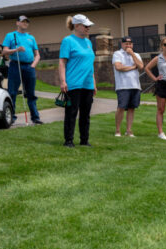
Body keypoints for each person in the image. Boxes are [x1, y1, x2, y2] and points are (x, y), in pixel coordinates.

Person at [58, 14, 96, 148]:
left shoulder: (89, 42)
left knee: (85, 114)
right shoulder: (68, 41)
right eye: (86, 26)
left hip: (88, 84)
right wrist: (63, 81)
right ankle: (68, 140)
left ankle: (84, 140)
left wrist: (94, 84)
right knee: (71, 113)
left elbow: (90, 64)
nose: (88, 28)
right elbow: (62, 62)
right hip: (73, 83)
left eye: (89, 26)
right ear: (77, 26)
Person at [1, 15, 43, 125]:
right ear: (17, 23)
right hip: (15, 66)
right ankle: (11, 118)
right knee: (12, 92)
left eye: (26, 22)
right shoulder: (10, 36)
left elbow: (37, 55)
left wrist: (33, 64)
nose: (25, 23)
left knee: (31, 94)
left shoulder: (31, 37)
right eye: (22, 21)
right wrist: (16, 50)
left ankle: (35, 117)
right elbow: (4, 52)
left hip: (29, 67)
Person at [112, 36, 144, 137]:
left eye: (130, 44)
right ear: (122, 44)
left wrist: (132, 54)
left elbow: (141, 66)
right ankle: (117, 130)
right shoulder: (117, 54)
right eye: (126, 43)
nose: (128, 45)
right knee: (121, 107)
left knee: (131, 108)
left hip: (135, 86)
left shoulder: (136, 55)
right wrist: (132, 67)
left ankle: (129, 130)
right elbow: (118, 67)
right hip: (122, 86)